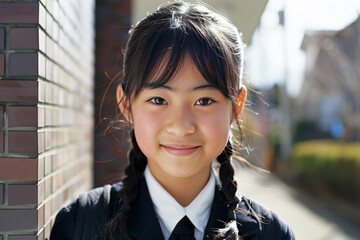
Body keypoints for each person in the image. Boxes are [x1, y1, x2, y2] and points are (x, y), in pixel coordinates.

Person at [50, 1, 295, 239]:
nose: (180, 126)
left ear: (236, 107)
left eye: (204, 101)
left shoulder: (273, 234)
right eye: (158, 100)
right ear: (126, 104)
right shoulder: (79, 225)